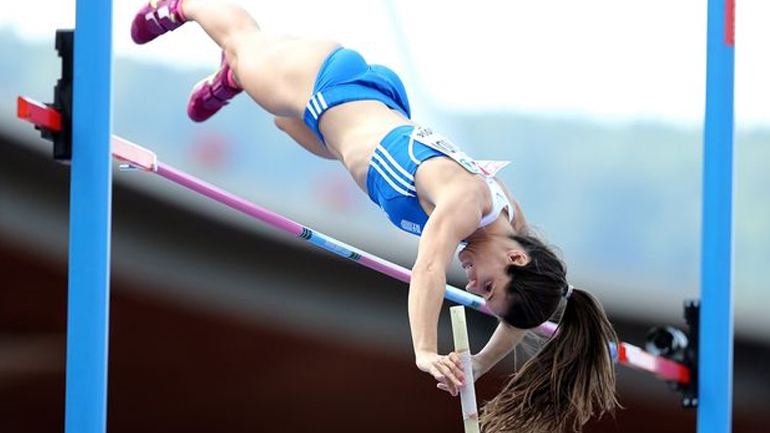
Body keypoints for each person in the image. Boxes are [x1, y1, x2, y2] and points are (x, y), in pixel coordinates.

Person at [132, 1, 620, 431]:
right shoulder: (465, 203)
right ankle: (183, 10)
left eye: (482, 295)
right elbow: (427, 270)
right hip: (329, 85)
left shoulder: (510, 226)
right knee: (244, 43)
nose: (473, 287)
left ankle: (235, 76)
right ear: (515, 257)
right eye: (487, 287)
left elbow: (519, 314)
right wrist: (425, 350)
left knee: (284, 123)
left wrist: (478, 363)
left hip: (359, 119)